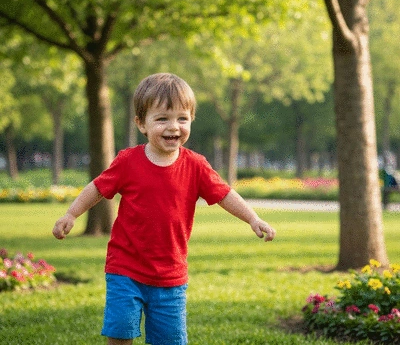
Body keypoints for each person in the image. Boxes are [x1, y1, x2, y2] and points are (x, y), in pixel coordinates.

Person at [52, 73, 276, 345]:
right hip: (125, 268)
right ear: (141, 124)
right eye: (162, 119)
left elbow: (225, 194)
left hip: (171, 274)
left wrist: (253, 218)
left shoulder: (196, 165)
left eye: (182, 118)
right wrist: (71, 214)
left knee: (169, 340)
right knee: (120, 331)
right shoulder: (127, 162)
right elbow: (97, 188)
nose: (174, 126)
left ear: (191, 119)